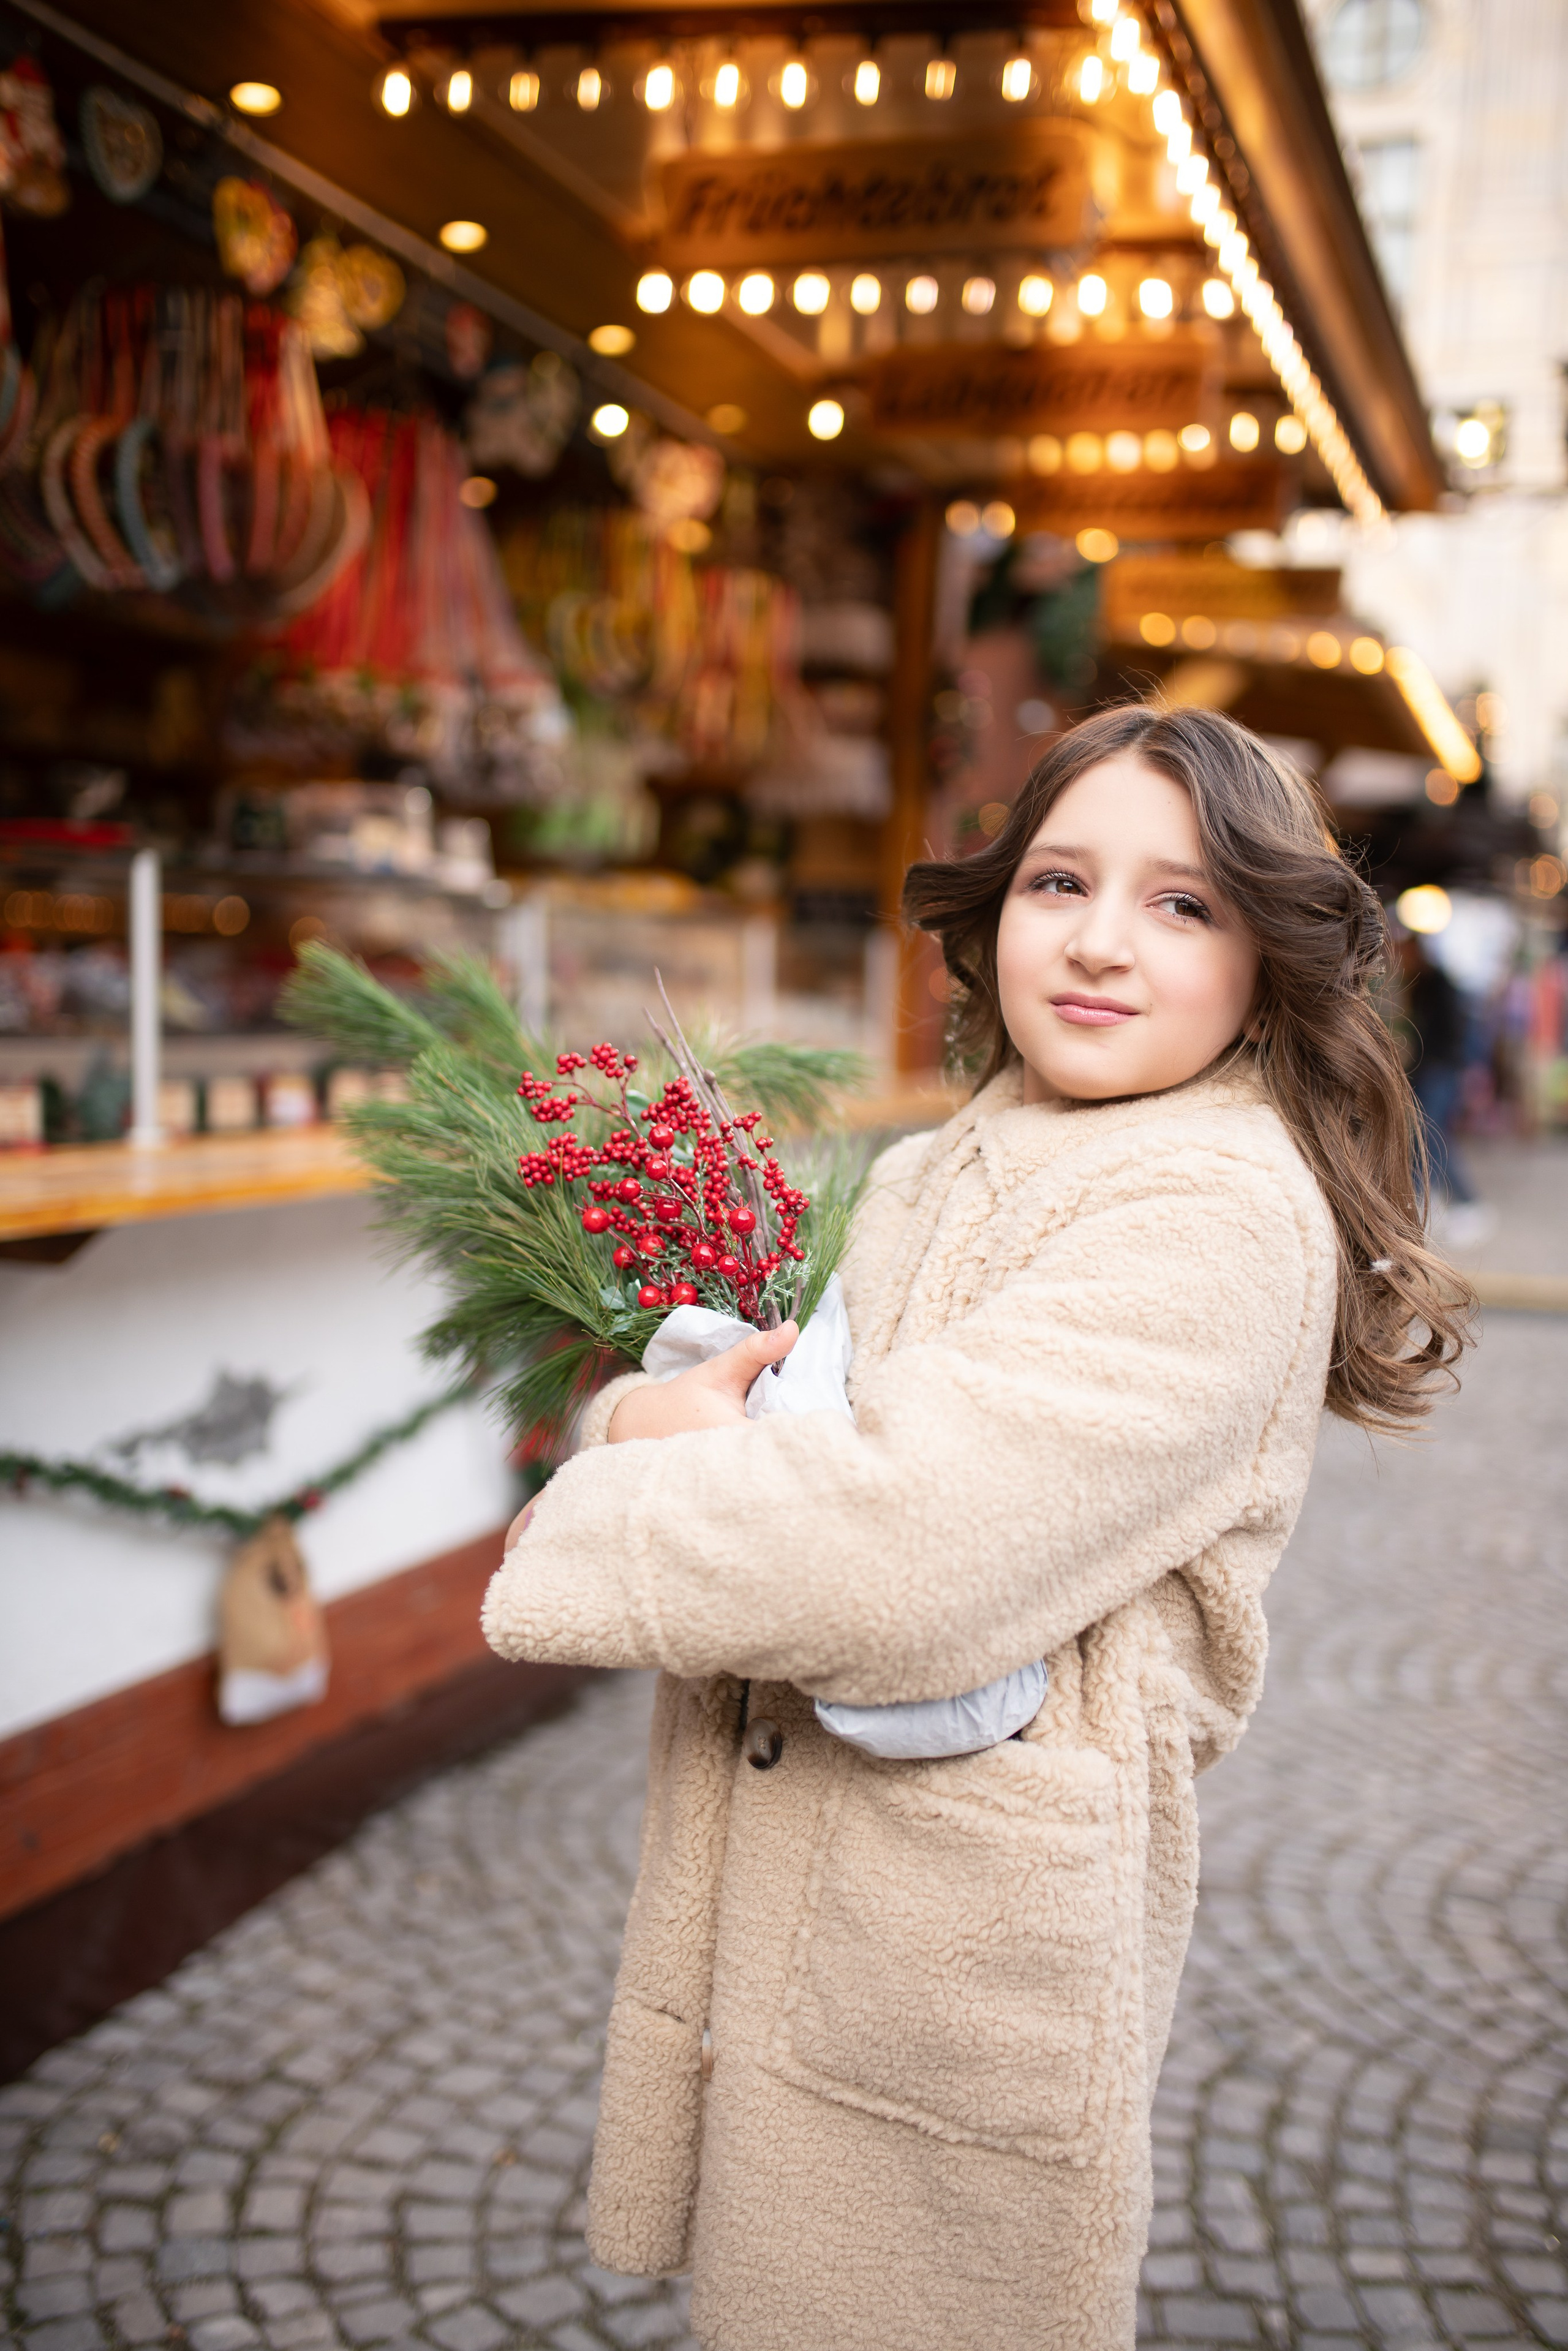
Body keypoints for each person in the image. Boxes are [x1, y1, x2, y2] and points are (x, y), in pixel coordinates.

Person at [483, 705, 1468, 2351]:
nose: (1096, 943)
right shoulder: (955, 1160)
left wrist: (620, 1466)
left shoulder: (1214, 1208)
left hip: (951, 1958)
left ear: (1269, 957)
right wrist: (671, 1408)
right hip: (816, 1906)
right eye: (1058, 881)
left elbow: (897, 1548)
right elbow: (808, 1426)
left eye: (1182, 904)